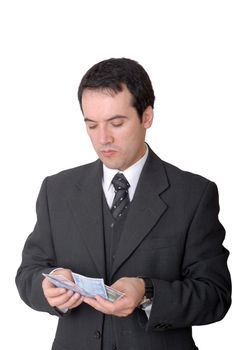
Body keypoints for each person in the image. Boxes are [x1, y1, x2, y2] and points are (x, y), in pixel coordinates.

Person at [16, 58, 231, 350]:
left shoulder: (194, 194)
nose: (103, 138)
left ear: (147, 116)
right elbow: (29, 271)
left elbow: (215, 296)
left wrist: (147, 291)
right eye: (92, 125)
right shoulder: (57, 190)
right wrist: (47, 285)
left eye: (116, 123)